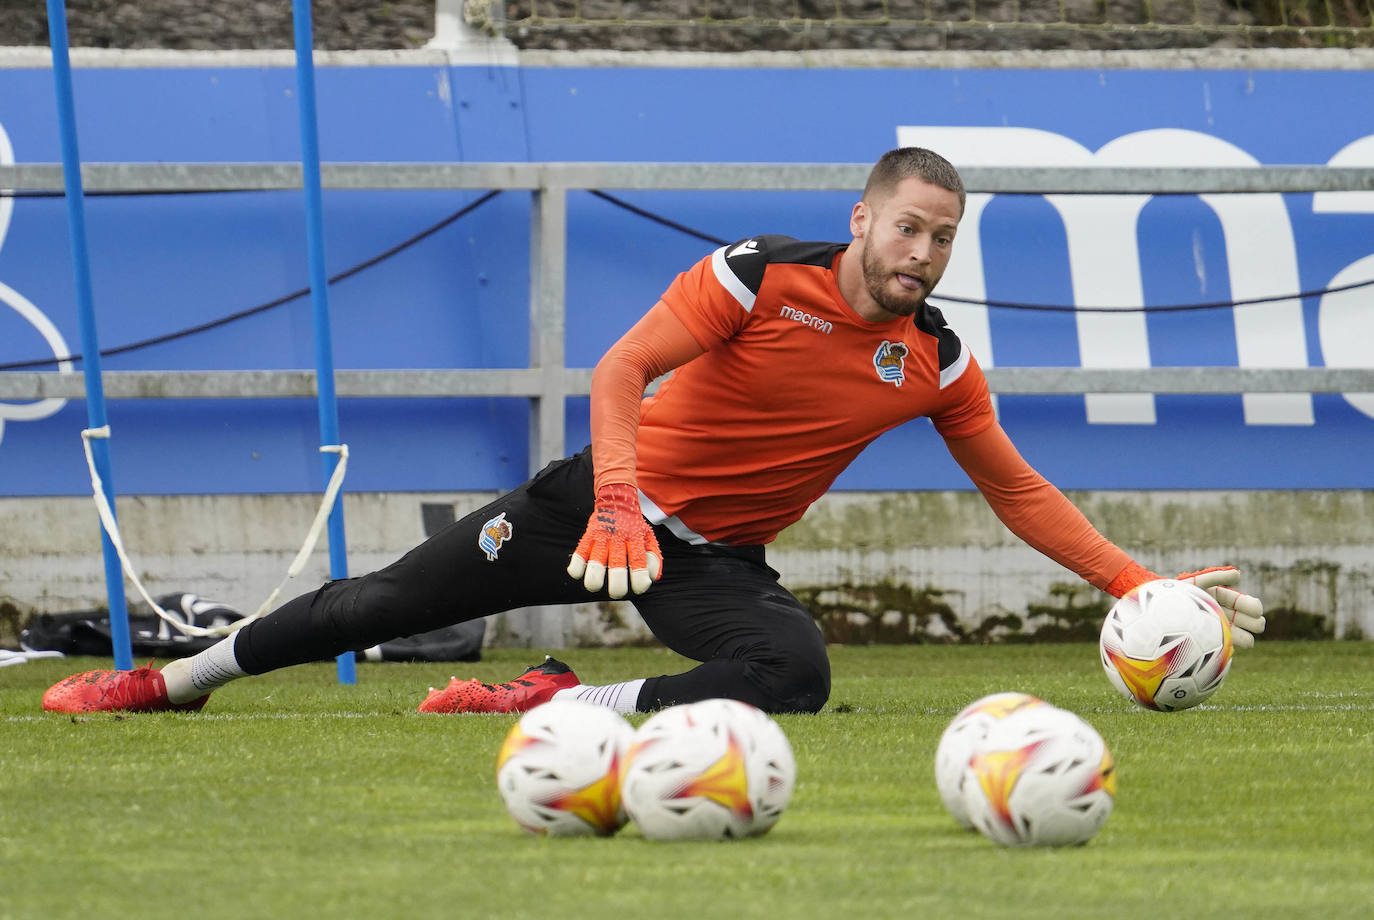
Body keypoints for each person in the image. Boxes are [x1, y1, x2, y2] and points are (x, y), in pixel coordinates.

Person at [42, 147, 1266, 717]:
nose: (925, 253)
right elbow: (622, 365)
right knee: (369, 608)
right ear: (864, 217)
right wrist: (616, 498)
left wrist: (1134, 579)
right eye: (910, 228)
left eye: (945, 237)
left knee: (797, 674)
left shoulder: (935, 358)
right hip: (593, 505)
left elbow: (1015, 486)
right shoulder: (756, 275)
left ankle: (568, 697)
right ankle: (172, 680)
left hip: (714, 559)